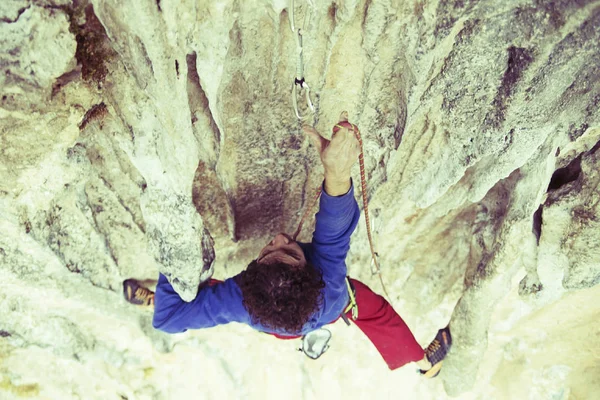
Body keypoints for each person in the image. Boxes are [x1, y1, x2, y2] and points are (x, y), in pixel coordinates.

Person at [124, 112, 451, 377]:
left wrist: (173, 277)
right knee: (377, 314)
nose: (280, 238)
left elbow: (168, 319)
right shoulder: (330, 286)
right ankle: (426, 364)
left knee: (199, 295)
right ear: (313, 270)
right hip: (330, 309)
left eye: (269, 251)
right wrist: (337, 173)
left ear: (248, 278)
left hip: (276, 321)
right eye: (291, 251)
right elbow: (333, 230)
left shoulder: (238, 298)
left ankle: (154, 298)